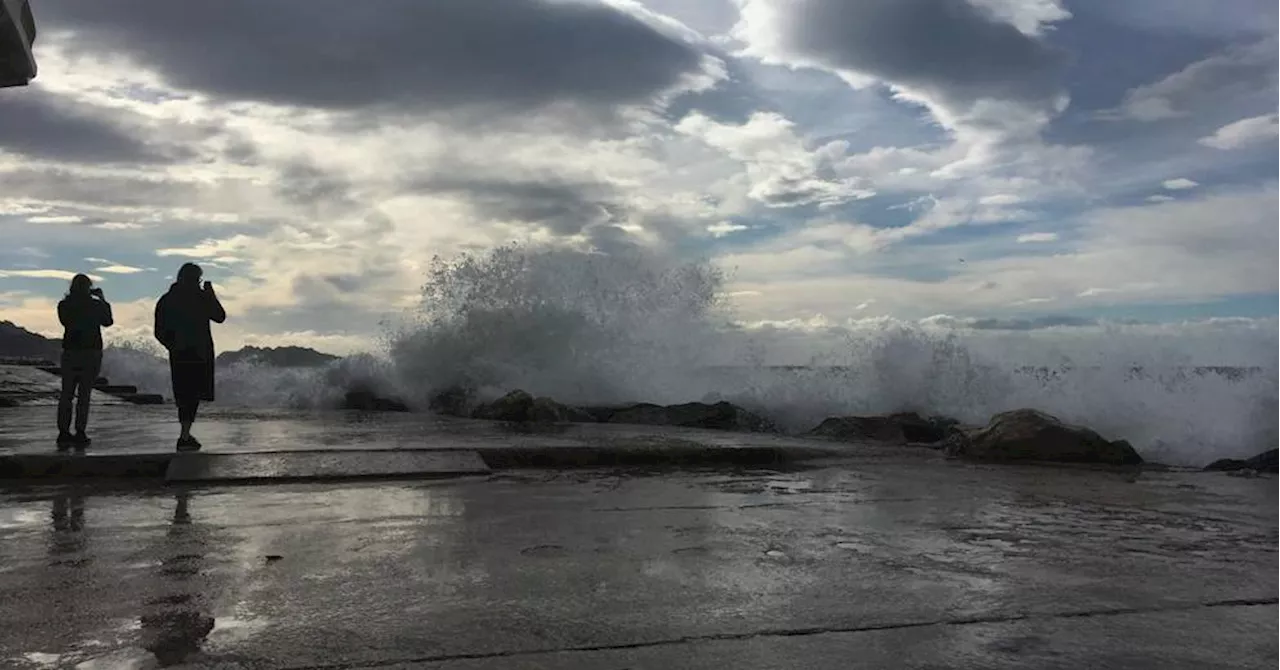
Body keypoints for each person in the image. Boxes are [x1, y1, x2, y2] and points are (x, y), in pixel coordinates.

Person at [154, 263, 226, 451]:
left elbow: (158, 330)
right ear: (196, 280)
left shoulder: (167, 299)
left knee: (184, 393)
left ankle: (185, 434)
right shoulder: (201, 298)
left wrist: (172, 345)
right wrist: (210, 293)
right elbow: (219, 316)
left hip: (179, 353)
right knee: (192, 395)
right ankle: (184, 436)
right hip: (199, 352)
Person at [56, 274, 113, 448]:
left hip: (71, 352)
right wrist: (102, 300)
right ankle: (80, 432)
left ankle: (63, 432)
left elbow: (65, 321)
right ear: (89, 287)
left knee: (66, 394)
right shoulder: (95, 305)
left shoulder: (64, 305)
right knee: (84, 395)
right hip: (91, 352)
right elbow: (108, 322)